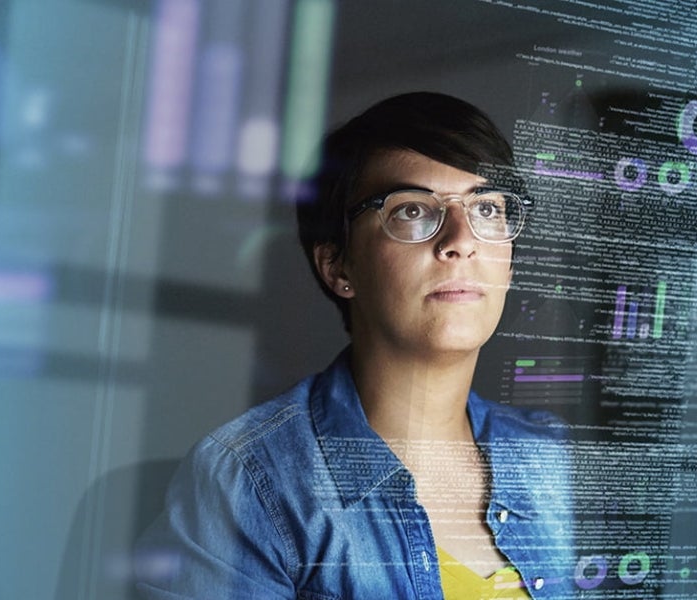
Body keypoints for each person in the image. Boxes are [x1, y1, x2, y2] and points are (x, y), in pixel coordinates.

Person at [135, 92, 574, 599]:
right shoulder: (250, 481)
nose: (461, 238)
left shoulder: (556, 458)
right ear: (339, 267)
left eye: (487, 208)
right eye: (412, 210)